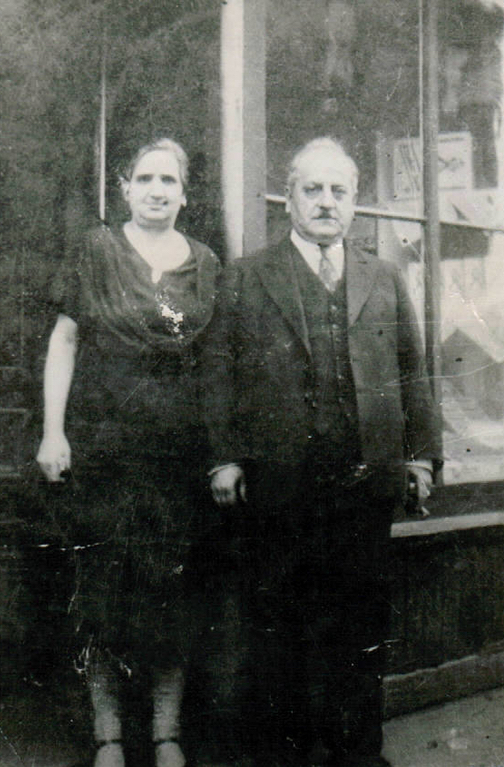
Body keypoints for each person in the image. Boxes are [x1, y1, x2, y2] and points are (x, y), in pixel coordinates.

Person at [203, 137, 441, 767]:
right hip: (280, 486)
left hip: (367, 484)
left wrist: (421, 458)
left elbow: (414, 373)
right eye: (313, 189)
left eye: (339, 191)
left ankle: (360, 753)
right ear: (291, 199)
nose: (326, 202)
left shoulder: (383, 276)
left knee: (360, 627)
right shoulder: (247, 275)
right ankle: (288, 754)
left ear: (356, 201)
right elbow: (218, 374)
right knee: (279, 625)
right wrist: (224, 457)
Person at [37, 138, 220, 767]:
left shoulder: (205, 262)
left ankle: (166, 734)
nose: (157, 190)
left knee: (174, 598)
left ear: (185, 192)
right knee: (103, 597)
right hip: (104, 452)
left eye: (169, 179)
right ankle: (108, 736)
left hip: (178, 458)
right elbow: (65, 339)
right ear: (124, 187)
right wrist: (53, 432)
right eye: (144, 178)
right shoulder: (96, 250)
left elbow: (216, 363)